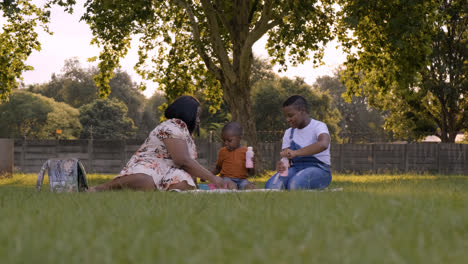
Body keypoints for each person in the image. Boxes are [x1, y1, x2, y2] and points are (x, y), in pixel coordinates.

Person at [88, 95, 233, 192]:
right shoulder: (171, 126)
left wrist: (214, 186)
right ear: (188, 113)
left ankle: (157, 191)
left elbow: (189, 169)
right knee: (145, 181)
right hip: (150, 166)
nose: (198, 120)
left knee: (185, 184)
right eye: (197, 115)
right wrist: (214, 178)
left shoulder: (185, 134)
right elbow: (182, 161)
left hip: (169, 171)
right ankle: (101, 189)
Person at [265, 95, 332, 190]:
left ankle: (318, 188)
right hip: (296, 168)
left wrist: (296, 153)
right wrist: (282, 164)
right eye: (286, 116)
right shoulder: (289, 133)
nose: (287, 119)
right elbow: (287, 158)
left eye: (290, 115)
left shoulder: (319, 126)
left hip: (319, 170)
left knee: (294, 185)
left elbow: (323, 144)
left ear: (302, 111)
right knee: (272, 186)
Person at [212, 122, 257, 190]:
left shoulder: (246, 152)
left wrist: (252, 166)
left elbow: (251, 173)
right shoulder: (223, 151)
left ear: (239, 138)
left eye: (229, 140)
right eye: (224, 140)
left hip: (242, 180)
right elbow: (218, 168)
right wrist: (207, 175)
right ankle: (233, 191)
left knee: (251, 187)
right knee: (231, 185)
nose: (226, 143)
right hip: (226, 179)